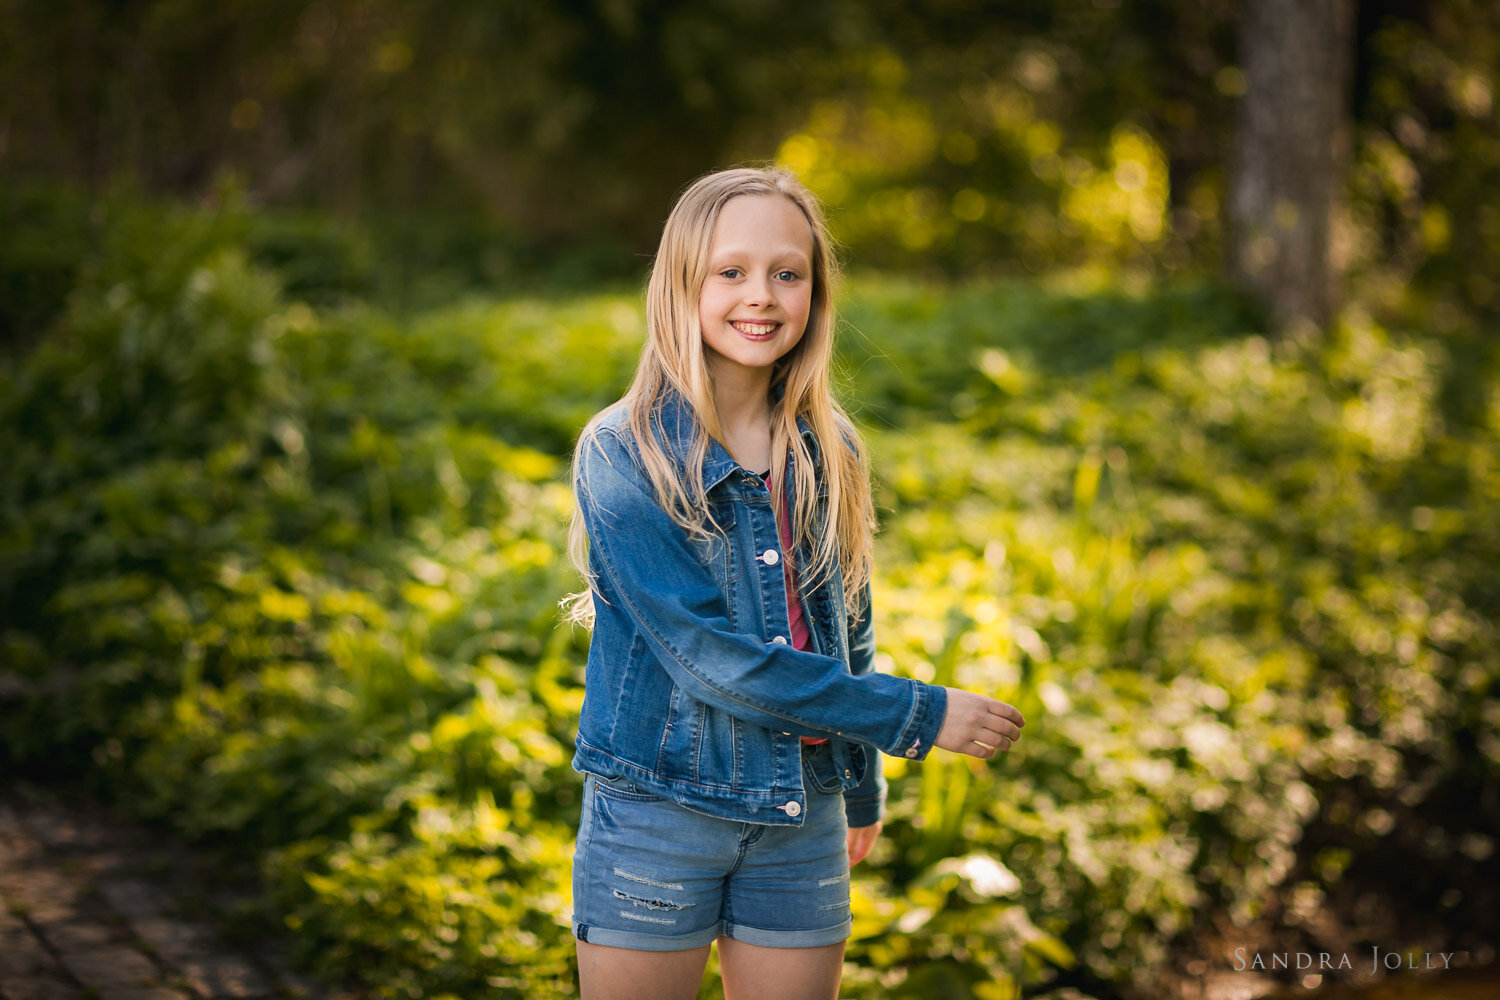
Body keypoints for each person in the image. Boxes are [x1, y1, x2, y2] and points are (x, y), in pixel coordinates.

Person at [562, 165, 1025, 1000]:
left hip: (802, 814)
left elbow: (849, 620)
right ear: (682, 285)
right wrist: (915, 717)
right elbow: (712, 660)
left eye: (788, 273)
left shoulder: (828, 445)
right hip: (662, 811)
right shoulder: (623, 451)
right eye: (731, 271)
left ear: (814, 289)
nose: (763, 296)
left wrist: (860, 786)